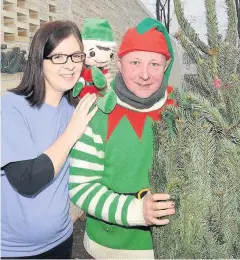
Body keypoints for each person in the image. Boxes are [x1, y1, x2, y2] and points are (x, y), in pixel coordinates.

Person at [69, 18, 175, 259]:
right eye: (135, 62)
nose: (145, 74)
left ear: (166, 65)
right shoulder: (97, 110)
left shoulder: (181, 109)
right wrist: (137, 211)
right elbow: (81, 187)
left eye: (155, 64)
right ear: (119, 63)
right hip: (109, 249)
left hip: (173, 247)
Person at [1, 20, 97, 258]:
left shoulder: (75, 107)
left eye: (76, 56)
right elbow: (27, 179)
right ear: (39, 61)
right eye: (58, 57)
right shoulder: (11, 107)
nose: (70, 65)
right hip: (14, 251)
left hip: (62, 240)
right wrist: (72, 130)